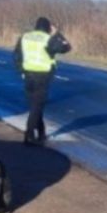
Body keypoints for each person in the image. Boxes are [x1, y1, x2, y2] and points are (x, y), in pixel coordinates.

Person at [13, 16, 72, 145]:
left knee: (35, 106)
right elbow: (67, 47)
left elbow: (17, 55)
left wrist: (21, 71)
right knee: (36, 107)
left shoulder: (25, 37)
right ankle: (29, 135)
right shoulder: (48, 39)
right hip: (43, 76)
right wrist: (57, 33)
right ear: (48, 27)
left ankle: (41, 133)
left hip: (28, 75)